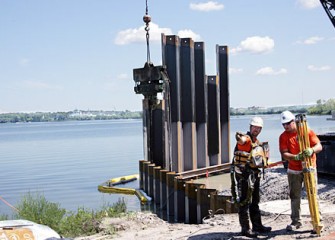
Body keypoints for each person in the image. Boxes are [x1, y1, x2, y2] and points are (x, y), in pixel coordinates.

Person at [279, 110, 323, 231]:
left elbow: (319, 146)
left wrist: (311, 150)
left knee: (312, 193)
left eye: (288, 123)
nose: (286, 126)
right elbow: (284, 153)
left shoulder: (306, 131)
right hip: (294, 169)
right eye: (283, 124)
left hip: (309, 166)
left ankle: (317, 219)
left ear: (294, 121)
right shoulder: (283, 136)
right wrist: (296, 157)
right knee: (295, 196)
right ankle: (296, 221)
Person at [231, 116, 272, 238]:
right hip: (244, 176)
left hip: (254, 175)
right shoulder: (247, 139)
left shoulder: (257, 142)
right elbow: (242, 141)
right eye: (255, 127)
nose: (257, 130)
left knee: (255, 201)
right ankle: (245, 229)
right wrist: (239, 138)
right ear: (250, 127)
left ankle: (257, 225)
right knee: (244, 201)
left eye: (259, 128)